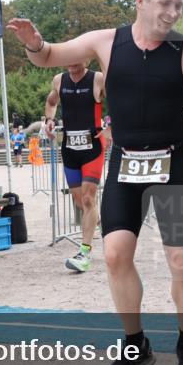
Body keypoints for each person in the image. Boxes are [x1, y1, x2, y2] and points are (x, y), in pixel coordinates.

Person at [7, 0, 183, 365]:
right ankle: (135, 344)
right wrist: (34, 43)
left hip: (173, 164)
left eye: (178, 5)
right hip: (126, 164)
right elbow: (49, 55)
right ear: (140, 1)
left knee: (181, 262)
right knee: (114, 254)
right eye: (164, 3)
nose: (173, 12)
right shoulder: (107, 42)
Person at [43, 63, 107, 272]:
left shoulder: (97, 79)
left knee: (88, 199)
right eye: (68, 57)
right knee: (80, 202)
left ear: (86, 60)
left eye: (76, 58)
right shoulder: (59, 80)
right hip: (69, 148)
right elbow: (51, 101)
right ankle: (103, 223)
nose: (71, 62)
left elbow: (120, 99)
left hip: (93, 147)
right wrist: (49, 120)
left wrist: (112, 126)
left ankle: (84, 253)